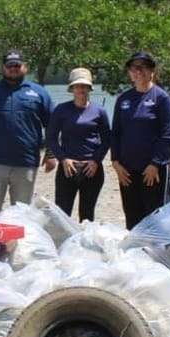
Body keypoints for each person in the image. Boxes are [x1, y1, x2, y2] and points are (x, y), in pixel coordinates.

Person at [0, 51, 55, 221]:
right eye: (10, 65)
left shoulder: (39, 92)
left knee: (23, 214)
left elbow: (52, 124)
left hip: (26, 163)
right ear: (2, 68)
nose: (13, 68)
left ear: (25, 67)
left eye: (17, 65)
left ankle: (20, 247)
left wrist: (51, 153)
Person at [111, 51, 170, 229]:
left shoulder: (162, 98)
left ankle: (157, 255)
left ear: (152, 71)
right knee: (132, 216)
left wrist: (155, 164)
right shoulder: (123, 99)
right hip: (127, 171)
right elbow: (115, 133)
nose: (138, 71)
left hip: (153, 171)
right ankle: (136, 255)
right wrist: (116, 163)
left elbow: (167, 134)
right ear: (129, 72)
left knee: (156, 217)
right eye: (134, 68)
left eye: (144, 67)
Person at [47, 67, 111, 222]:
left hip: (91, 169)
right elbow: (51, 138)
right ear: (72, 88)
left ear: (89, 88)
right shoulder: (61, 110)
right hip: (68, 168)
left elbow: (107, 139)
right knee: (62, 214)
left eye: (84, 86)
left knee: (87, 215)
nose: (81, 89)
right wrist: (63, 158)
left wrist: (96, 161)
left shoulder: (99, 111)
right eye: (77, 86)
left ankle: (84, 245)